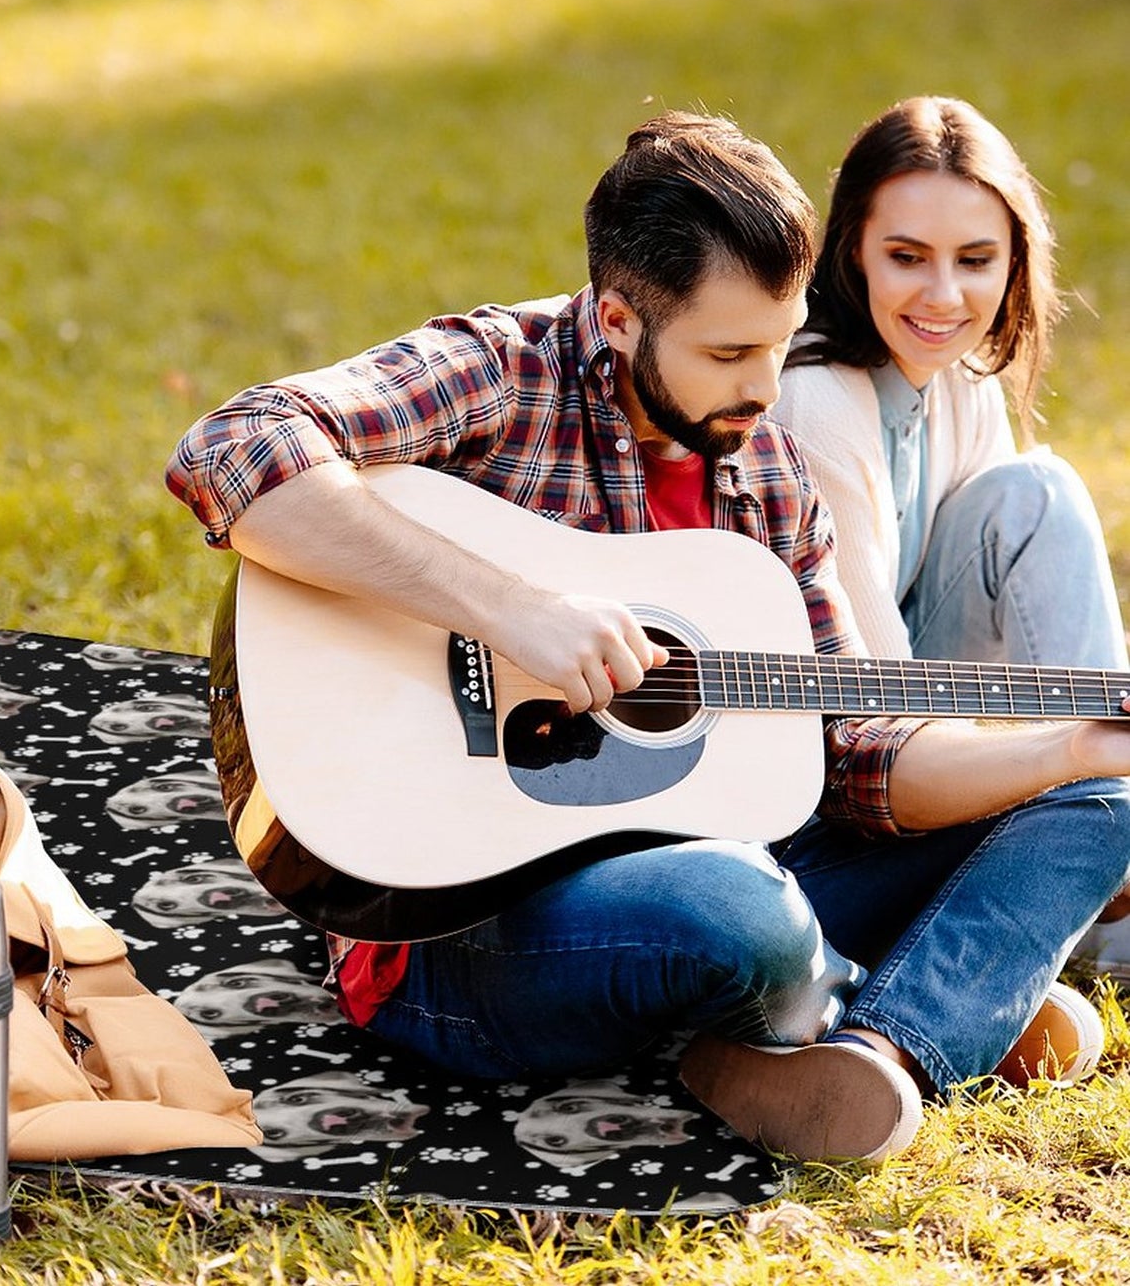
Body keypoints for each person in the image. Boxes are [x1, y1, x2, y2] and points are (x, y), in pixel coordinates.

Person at [166, 111, 1130, 1165]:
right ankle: (920, 991)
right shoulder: (499, 371)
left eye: (779, 340)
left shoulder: (763, 469)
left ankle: (880, 1049)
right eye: (727, 353)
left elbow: (856, 750)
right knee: (736, 912)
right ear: (618, 318)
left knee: (1098, 801)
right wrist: (505, 607)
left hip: (733, 861)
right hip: (456, 929)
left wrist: (1066, 748)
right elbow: (234, 446)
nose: (764, 390)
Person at [772, 95, 1130, 974]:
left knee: (1030, 493)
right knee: (1039, 491)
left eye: (975, 260)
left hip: (923, 734)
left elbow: (1007, 652)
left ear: (1014, 261)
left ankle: (1098, 849)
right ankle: (1097, 884)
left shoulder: (959, 375)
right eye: (906, 257)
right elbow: (874, 712)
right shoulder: (815, 398)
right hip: (830, 783)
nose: (943, 295)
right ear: (851, 247)